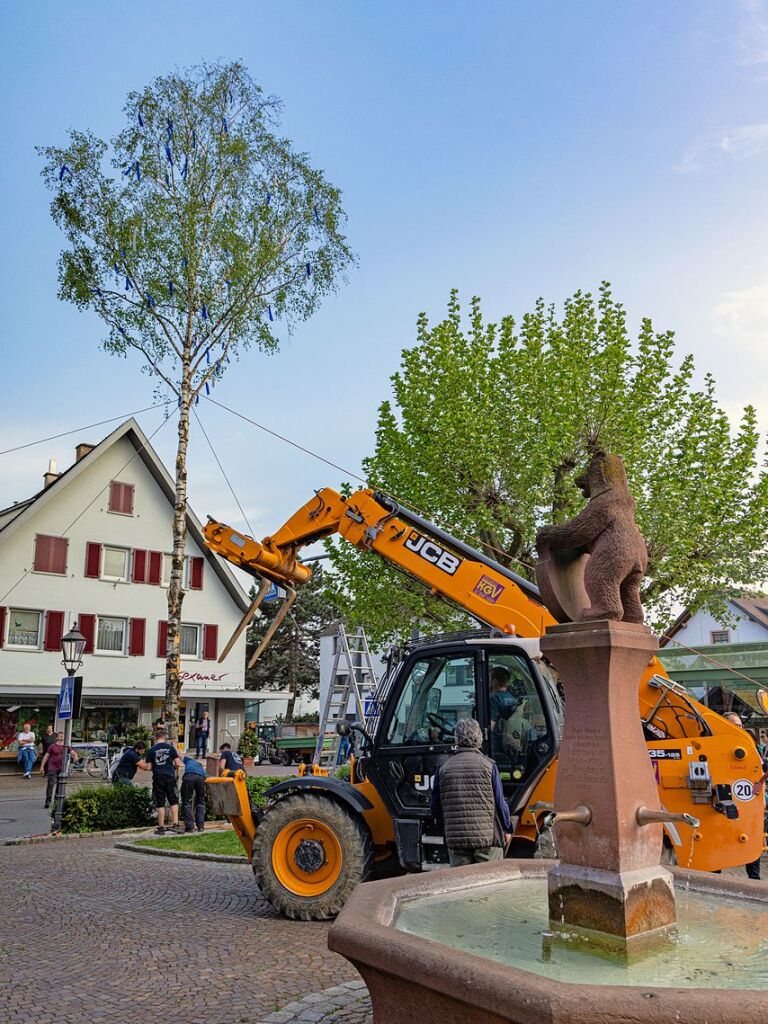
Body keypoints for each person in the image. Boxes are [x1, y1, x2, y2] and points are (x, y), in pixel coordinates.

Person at [430, 717, 511, 866]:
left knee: (463, 885)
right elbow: (500, 803)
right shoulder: (489, 766)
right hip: (487, 840)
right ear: (479, 738)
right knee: (491, 884)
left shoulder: (443, 768)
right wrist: (507, 827)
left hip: (456, 839)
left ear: (456, 739)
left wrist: (446, 828)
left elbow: (435, 807)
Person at [723, 712, 764, 880]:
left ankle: (754, 879)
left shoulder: (749, 747)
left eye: (740, 725)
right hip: (725, 800)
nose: (739, 729)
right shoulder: (718, 746)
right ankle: (713, 877)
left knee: (751, 839)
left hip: (749, 802)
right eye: (735, 725)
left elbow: (761, 769)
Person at [146, 728, 183, 835]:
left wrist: (156, 766)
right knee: (173, 800)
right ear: (164, 737)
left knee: (160, 802)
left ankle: (161, 827)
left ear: (156, 737)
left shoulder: (152, 750)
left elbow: (148, 768)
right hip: (170, 776)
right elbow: (177, 763)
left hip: (158, 777)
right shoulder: (170, 748)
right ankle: (175, 824)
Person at [39, 731, 79, 808]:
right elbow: (46, 756)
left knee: (59, 785)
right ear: (56, 737)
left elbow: (73, 753)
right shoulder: (52, 746)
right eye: (60, 736)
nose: (61, 737)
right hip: (52, 767)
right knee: (51, 784)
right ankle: (48, 801)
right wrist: (42, 767)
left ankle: (56, 801)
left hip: (61, 768)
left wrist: (75, 757)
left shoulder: (66, 746)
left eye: (62, 736)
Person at [181, 755, 207, 833]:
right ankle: (201, 827)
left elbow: (179, 756)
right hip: (201, 778)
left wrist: (174, 746)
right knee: (201, 801)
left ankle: (190, 827)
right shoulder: (200, 766)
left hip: (189, 776)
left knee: (186, 802)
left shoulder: (188, 760)